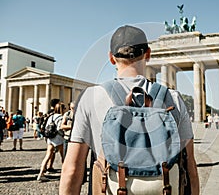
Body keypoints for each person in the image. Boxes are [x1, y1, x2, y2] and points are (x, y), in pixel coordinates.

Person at [60, 25, 199, 195]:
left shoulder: (91, 97)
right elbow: (190, 165)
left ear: (111, 58)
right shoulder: (174, 99)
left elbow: (72, 169)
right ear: (148, 54)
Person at [37, 102, 66, 181]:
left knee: (47, 156)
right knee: (63, 157)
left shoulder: (51, 116)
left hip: (50, 138)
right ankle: (65, 173)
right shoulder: (61, 117)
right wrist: (63, 135)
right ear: (62, 109)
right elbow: (60, 128)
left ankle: (41, 173)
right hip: (58, 138)